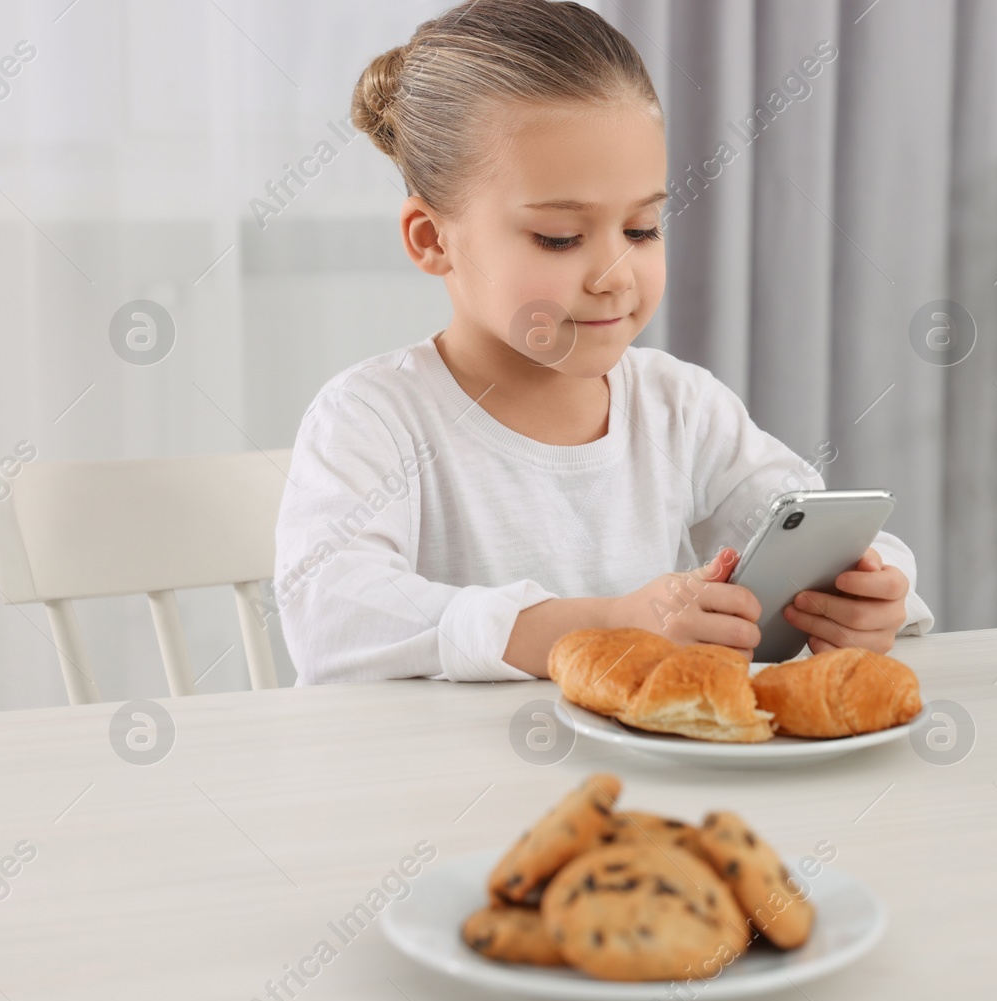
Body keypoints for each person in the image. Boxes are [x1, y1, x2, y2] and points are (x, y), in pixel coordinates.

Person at [273, 0, 933, 685]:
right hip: (438, 785)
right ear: (433, 238)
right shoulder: (372, 418)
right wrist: (606, 624)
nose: (615, 277)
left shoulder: (680, 407)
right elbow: (333, 619)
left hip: (635, 788)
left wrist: (867, 591)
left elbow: (819, 529)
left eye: (643, 229)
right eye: (560, 237)